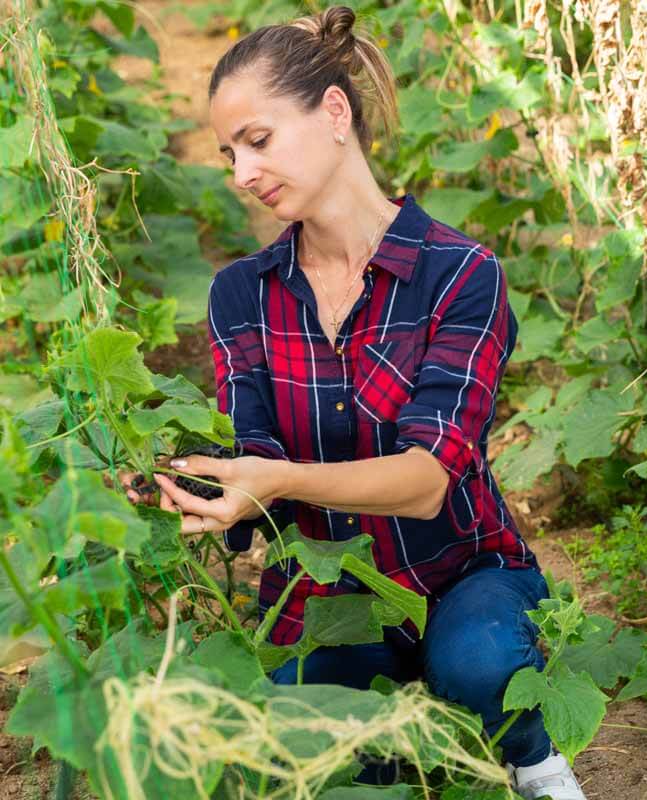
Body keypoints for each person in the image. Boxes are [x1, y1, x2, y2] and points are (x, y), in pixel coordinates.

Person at [122, 6, 586, 799]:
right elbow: (257, 456)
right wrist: (199, 485)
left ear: (335, 113)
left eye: (258, 141)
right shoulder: (243, 294)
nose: (240, 171)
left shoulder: (461, 274)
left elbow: (425, 479)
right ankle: (410, 740)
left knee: (479, 665)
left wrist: (277, 481)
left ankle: (539, 765)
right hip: (331, 594)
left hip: (460, 571)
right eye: (228, 152)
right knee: (320, 757)